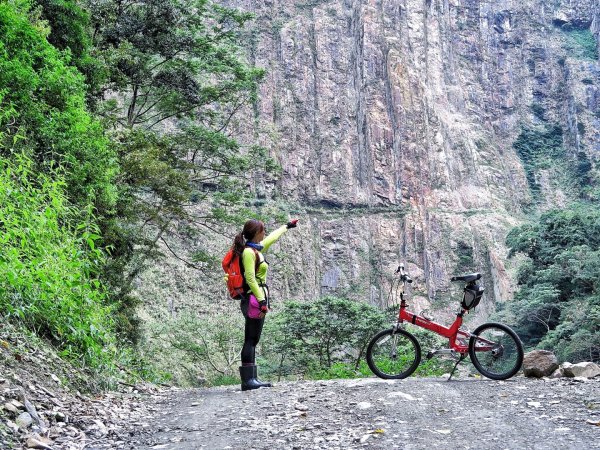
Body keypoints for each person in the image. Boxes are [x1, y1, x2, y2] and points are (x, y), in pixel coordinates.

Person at [230, 218, 298, 391]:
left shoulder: (257, 249)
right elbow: (251, 278)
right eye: (263, 230)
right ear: (256, 233)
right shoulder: (248, 253)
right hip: (253, 299)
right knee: (250, 339)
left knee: (254, 339)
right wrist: (261, 301)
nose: (265, 233)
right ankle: (248, 381)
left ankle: (252, 378)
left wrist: (286, 227)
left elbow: (272, 238)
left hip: (257, 297)